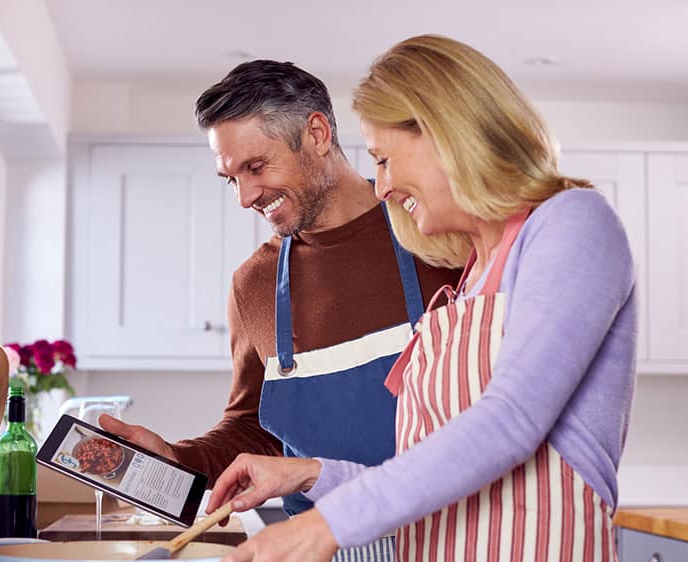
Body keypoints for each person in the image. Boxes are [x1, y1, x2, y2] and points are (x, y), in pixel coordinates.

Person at [205, 35, 638, 562]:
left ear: (445, 135)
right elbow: (439, 479)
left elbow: (511, 422)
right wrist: (311, 474)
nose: (380, 186)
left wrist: (325, 527)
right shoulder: (473, 275)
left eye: (385, 159)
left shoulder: (573, 223)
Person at [100, 59, 461, 560]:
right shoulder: (254, 285)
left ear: (316, 133)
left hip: (451, 540)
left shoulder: (439, 238)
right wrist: (177, 458)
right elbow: (256, 428)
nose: (246, 197)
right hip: (315, 549)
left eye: (256, 167)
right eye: (230, 179)